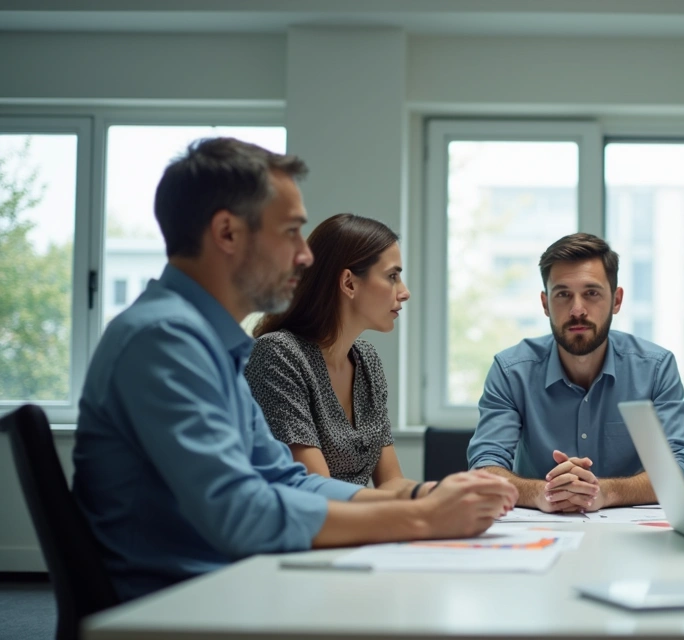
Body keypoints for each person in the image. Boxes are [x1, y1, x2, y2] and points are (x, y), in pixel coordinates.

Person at [73, 138, 517, 601]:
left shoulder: (212, 344)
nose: (305, 256)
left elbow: (287, 480)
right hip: (181, 602)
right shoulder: (163, 340)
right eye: (290, 232)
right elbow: (241, 513)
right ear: (227, 233)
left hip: (224, 585)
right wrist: (424, 518)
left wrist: (420, 497)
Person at [467, 233, 684, 513]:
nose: (577, 309)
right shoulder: (511, 371)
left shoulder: (656, 369)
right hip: (539, 532)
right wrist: (541, 494)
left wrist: (604, 492)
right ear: (545, 303)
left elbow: (680, 471)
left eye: (591, 293)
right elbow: (484, 468)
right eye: (563, 294)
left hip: (632, 536)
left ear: (616, 300)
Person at [245, 213, 428, 493]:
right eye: (392, 277)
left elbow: (391, 481)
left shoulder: (366, 360)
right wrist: (429, 504)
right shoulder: (278, 354)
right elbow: (316, 490)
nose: (404, 293)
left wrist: (444, 494)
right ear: (349, 283)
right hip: (306, 532)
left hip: (359, 529)